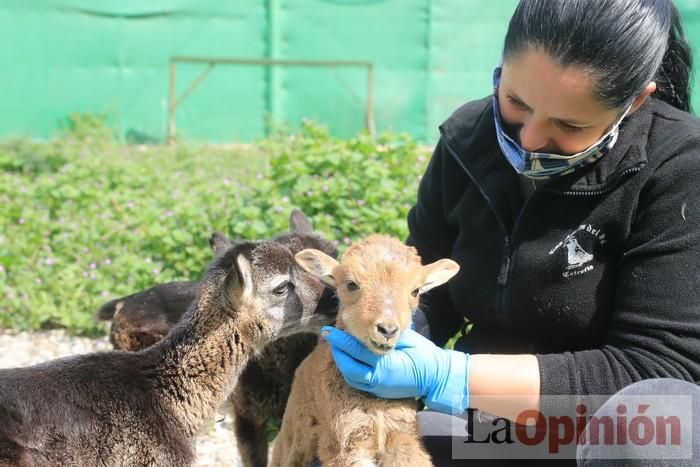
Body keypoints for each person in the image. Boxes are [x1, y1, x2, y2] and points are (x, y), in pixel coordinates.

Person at [321, 0, 700, 464]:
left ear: (635, 101)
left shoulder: (679, 169)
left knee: (658, 432)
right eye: (516, 102)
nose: (530, 139)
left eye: (569, 124)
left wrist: (452, 377)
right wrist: (389, 333)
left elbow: (659, 368)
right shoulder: (466, 142)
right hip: (484, 424)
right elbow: (429, 289)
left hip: (594, 430)